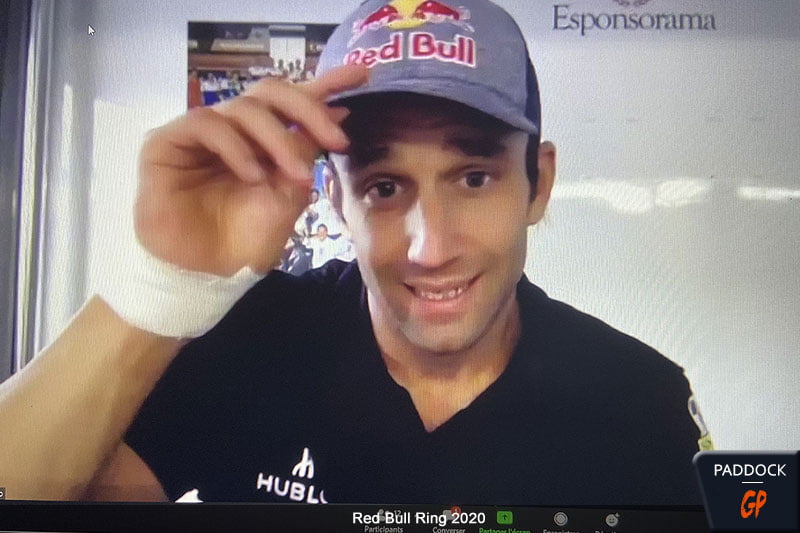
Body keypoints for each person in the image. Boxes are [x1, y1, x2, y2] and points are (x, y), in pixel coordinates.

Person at [0, 0, 707, 505]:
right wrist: (163, 288)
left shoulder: (635, 401)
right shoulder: (253, 337)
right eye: (384, 186)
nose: (430, 247)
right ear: (338, 201)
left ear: (538, 184)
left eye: (473, 178)